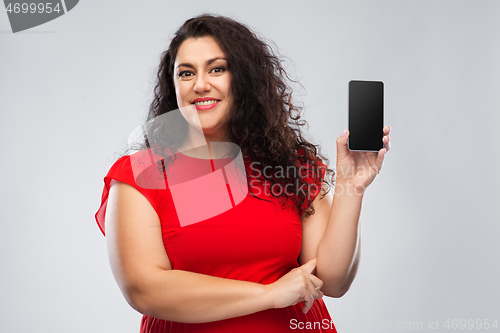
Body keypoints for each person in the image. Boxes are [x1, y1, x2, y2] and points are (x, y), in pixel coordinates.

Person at [95, 14, 391, 332]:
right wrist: (269, 294)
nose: (200, 85)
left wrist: (352, 184)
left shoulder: (290, 165)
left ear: (245, 78)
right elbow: (143, 287)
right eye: (186, 73)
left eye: (217, 69)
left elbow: (332, 280)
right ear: (173, 84)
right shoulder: (141, 174)